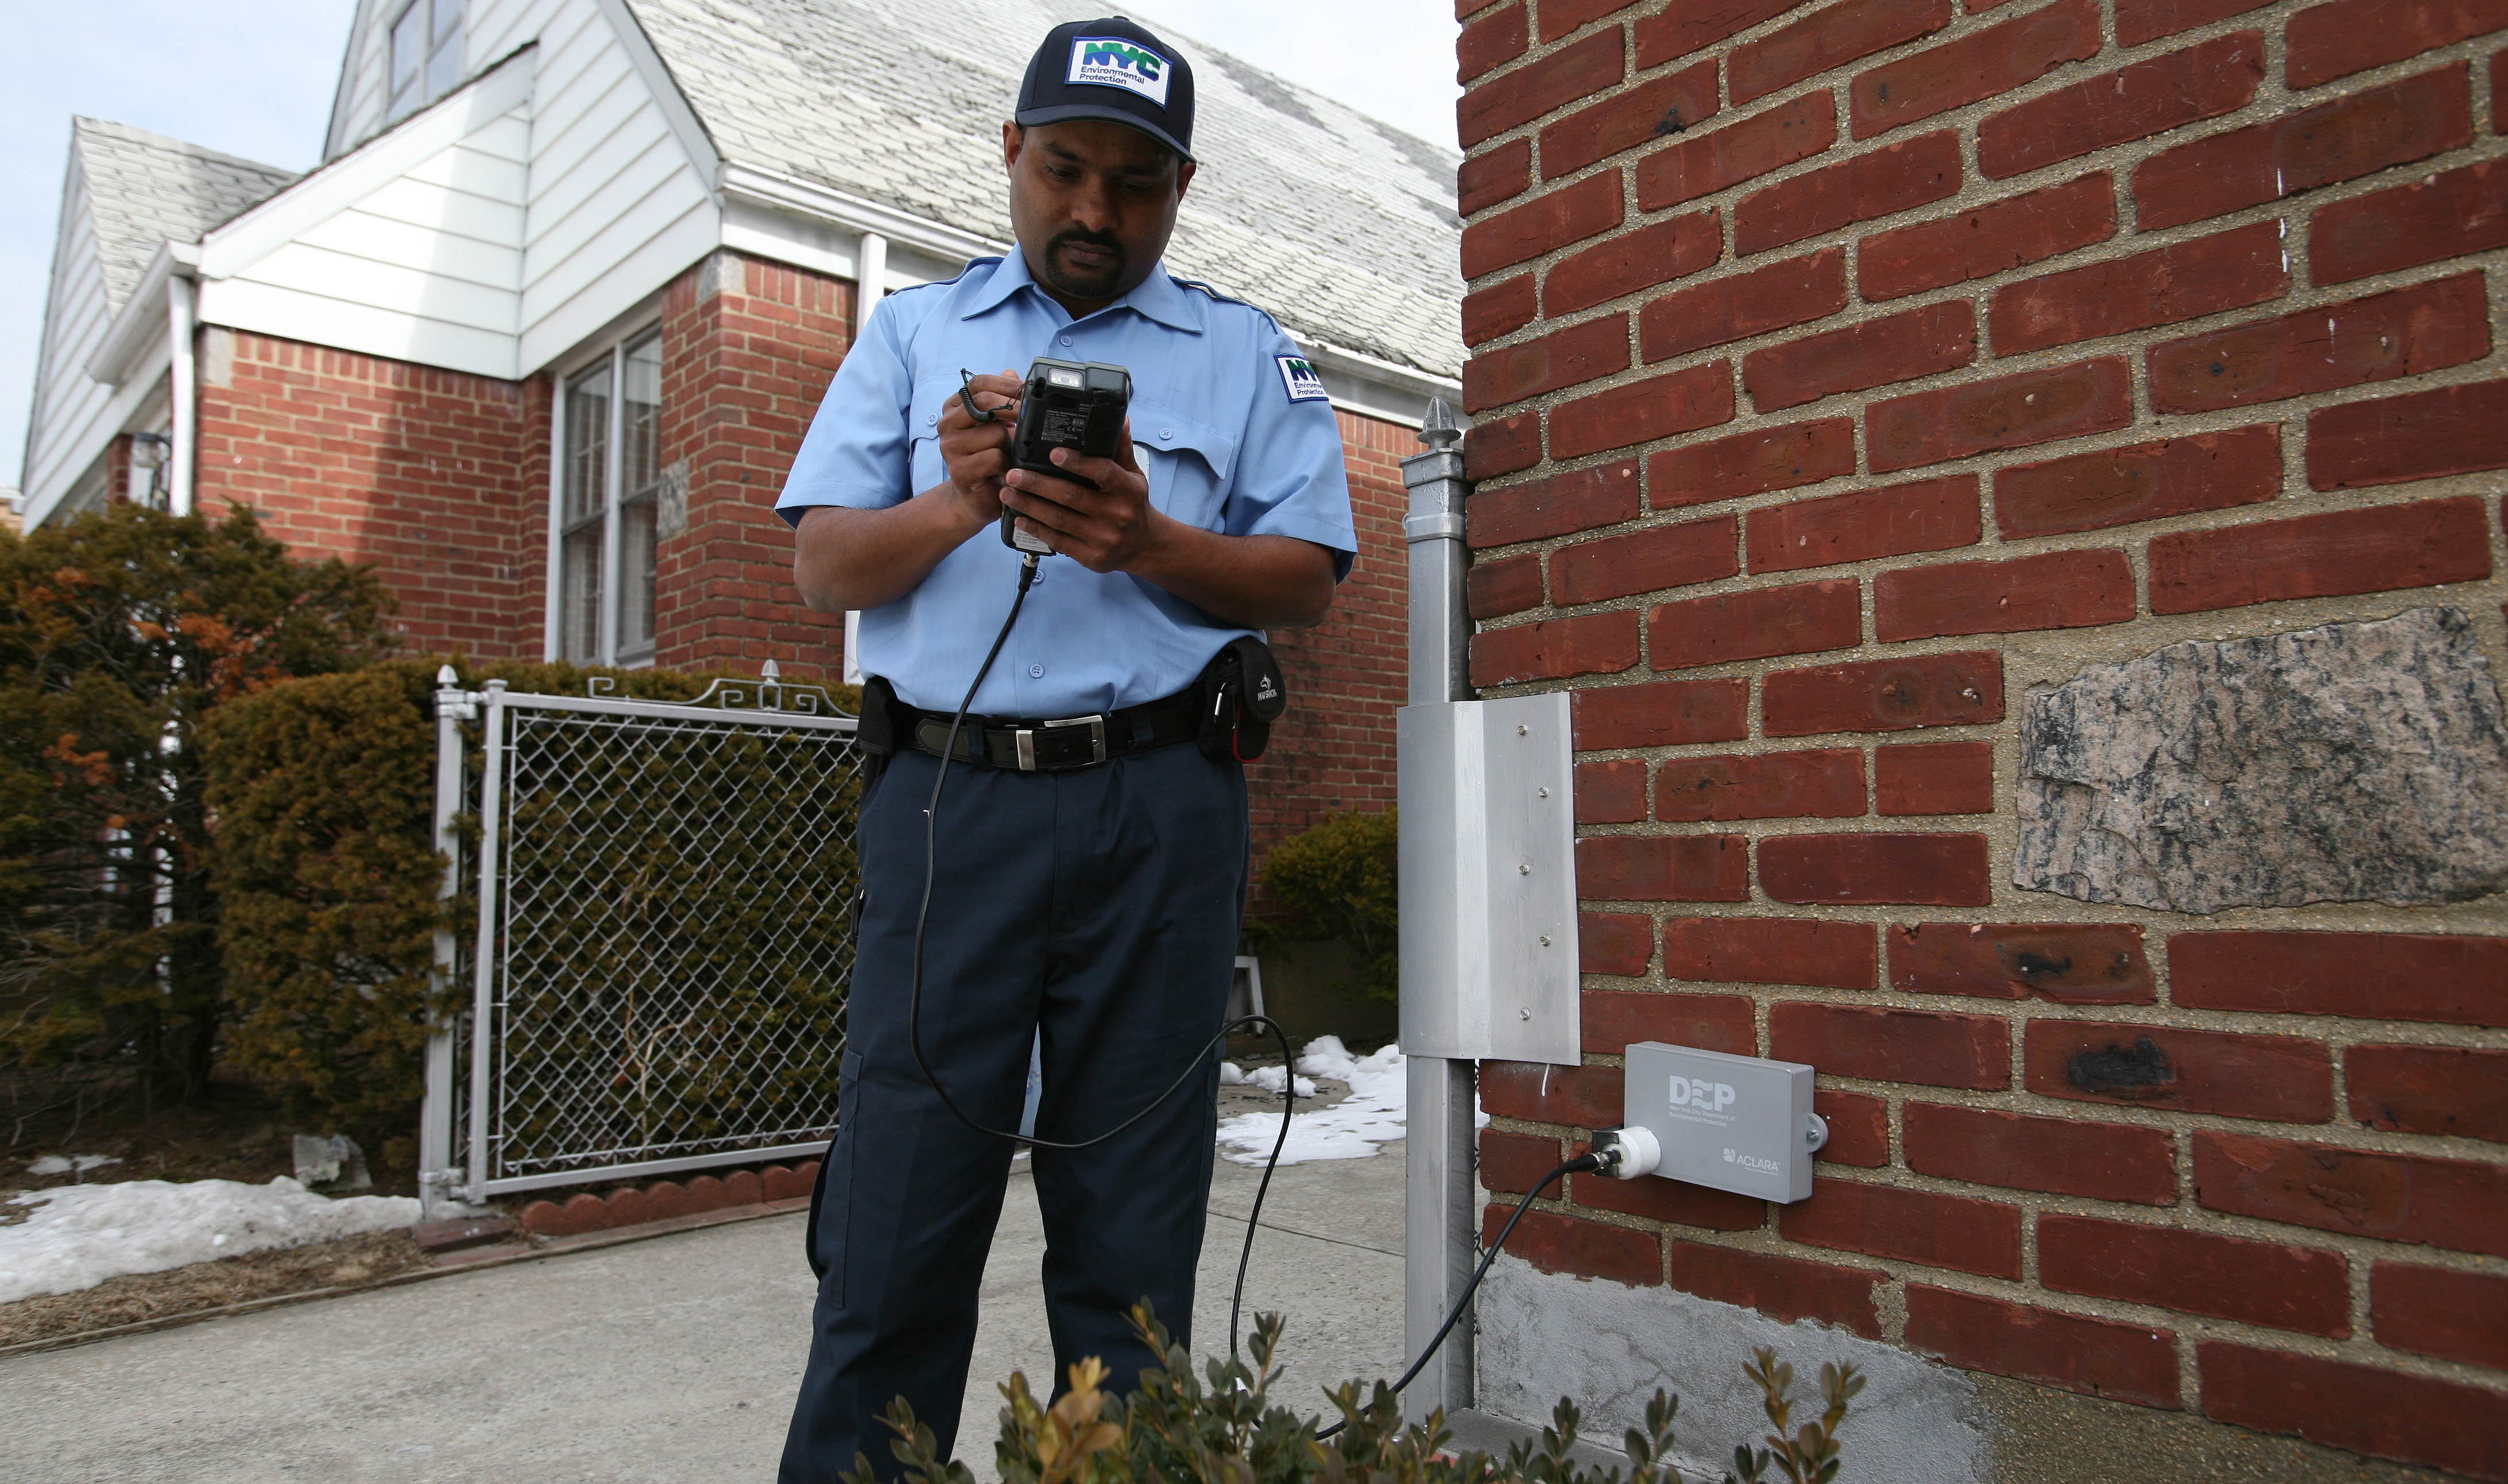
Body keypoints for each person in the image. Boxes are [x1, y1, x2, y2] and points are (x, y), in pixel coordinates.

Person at [771, 17, 1357, 1483]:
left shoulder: (1244, 351)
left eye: (1138, 184)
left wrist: (1150, 540)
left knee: (1132, 1229)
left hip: (1161, 813)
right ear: (1013, 158)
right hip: (947, 809)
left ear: (1181, 187)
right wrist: (963, 504)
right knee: (899, 1214)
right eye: (1067, 169)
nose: (1096, 212)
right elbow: (830, 567)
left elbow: (1307, 578)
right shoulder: (912, 335)